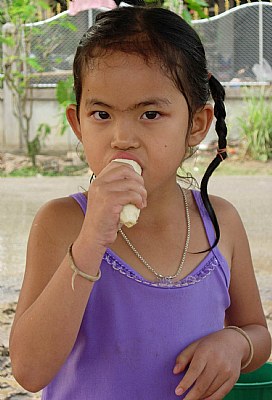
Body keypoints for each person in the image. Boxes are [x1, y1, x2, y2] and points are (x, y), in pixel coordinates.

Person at [9, 5, 271, 400]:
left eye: (150, 114)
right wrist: (91, 240)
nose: (122, 137)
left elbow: (257, 334)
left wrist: (236, 344)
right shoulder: (61, 223)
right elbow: (29, 371)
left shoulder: (221, 222)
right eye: (101, 114)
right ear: (77, 124)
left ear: (196, 124)